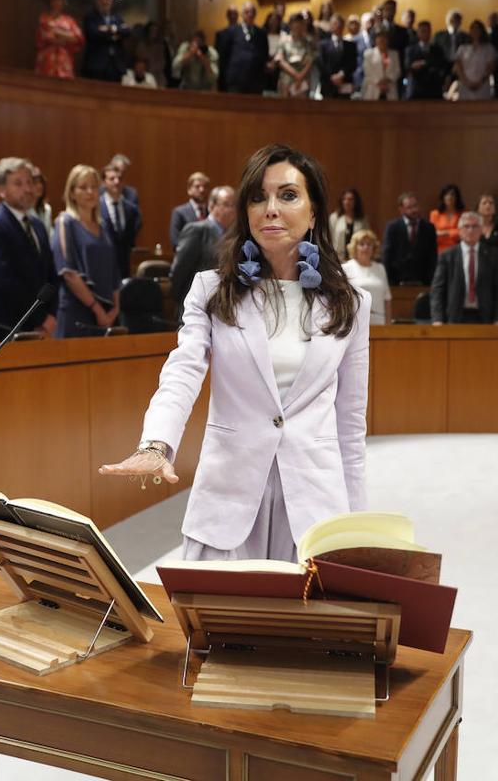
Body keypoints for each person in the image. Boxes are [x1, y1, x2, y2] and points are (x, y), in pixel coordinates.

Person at [99, 144, 370, 563]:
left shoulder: (351, 303)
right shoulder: (211, 290)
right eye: (258, 197)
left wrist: (355, 525)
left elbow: (350, 422)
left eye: (288, 195)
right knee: (216, 623)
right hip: (228, 499)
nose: (270, 209)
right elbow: (183, 370)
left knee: (304, 628)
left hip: (314, 504)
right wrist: (156, 444)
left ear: (314, 211)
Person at [0, 157, 57, 342]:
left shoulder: (37, 225)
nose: (27, 189)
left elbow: (50, 275)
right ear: (1, 190)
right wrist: (41, 317)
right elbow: (5, 281)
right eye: (18, 183)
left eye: (30, 182)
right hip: (1, 329)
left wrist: (52, 315)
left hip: (38, 328)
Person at [51, 164, 121, 338]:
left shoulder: (103, 225)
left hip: (107, 313)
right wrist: (97, 310)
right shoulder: (64, 222)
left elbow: (114, 270)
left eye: (94, 187)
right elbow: (68, 273)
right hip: (77, 312)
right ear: (72, 192)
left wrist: (115, 307)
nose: (90, 192)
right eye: (83, 187)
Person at [430, 212, 498, 326]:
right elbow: (437, 290)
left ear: (481, 230)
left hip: (485, 317)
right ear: (459, 231)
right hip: (454, 316)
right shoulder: (447, 256)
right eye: (466, 226)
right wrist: (437, 319)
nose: (470, 230)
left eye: (475, 226)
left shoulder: (492, 255)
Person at [170, 185, 236, 315]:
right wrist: (183, 301)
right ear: (211, 206)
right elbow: (179, 271)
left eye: (234, 205)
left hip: (222, 308)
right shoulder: (197, 230)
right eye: (227, 204)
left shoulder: (233, 236)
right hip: (196, 306)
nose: (232, 210)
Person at [381, 191, 437, 285]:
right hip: (397, 280)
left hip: (423, 281)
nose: (414, 210)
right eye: (409, 207)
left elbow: (433, 256)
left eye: (415, 206)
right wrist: (388, 280)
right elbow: (387, 255)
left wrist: (430, 281)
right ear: (401, 209)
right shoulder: (393, 227)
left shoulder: (429, 227)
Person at [100, 162, 141, 278]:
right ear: (104, 182)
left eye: (119, 178)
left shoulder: (131, 209)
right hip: (102, 266)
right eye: (112, 179)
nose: (117, 182)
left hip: (124, 269)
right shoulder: (96, 207)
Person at [219, 1, 269, 95]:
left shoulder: (262, 33)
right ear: (242, 14)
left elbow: (264, 55)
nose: (250, 14)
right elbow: (224, 57)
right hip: (236, 80)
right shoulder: (231, 31)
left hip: (256, 81)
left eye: (252, 12)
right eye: (247, 12)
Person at [82, 0, 128, 83]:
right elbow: (93, 34)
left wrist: (112, 29)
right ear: (97, 0)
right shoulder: (91, 17)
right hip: (96, 66)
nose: (105, 2)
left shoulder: (117, 17)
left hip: (115, 66)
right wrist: (114, 35)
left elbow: (126, 31)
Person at [35, 0, 84, 80]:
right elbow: (47, 36)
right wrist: (66, 35)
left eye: (59, 0)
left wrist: (59, 33)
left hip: (64, 60)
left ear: (63, 2)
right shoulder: (44, 18)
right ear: (50, 2)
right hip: (47, 60)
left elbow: (78, 38)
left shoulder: (69, 21)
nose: (57, 2)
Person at [344, 229, 391, 326]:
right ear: (354, 247)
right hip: (355, 322)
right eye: (362, 244)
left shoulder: (380, 268)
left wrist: (388, 324)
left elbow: (387, 298)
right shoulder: (346, 268)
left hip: (379, 322)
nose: (366, 247)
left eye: (369, 244)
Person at [452, 20, 497, 101]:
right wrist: (466, 82)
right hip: (465, 85)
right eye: (472, 28)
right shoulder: (462, 48)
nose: (475, 31)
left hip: (482, 85)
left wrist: (480, 82)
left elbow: (490, 67)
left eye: (477, 29)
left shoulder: (488, 48)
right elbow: (458, 66)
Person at [276, 13, 318, 99]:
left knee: (302, 109)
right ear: (290, 25)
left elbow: (310, 60)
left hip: (303, 80)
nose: (297, 27)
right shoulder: (284, 40)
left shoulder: (308, 42)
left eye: (300, 24)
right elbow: (280, 60)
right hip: (286, 79)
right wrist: (295, 75)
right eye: (295, 24)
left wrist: (300, 76)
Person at [405, 21, 447, 100]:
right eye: (422, 31)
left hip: (434, 89)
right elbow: (408, 67)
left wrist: (423, 63)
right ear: (418, 33)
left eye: (427, 31)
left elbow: (440, 64)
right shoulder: (411, 50)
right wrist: (415, 66)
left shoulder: (437, 50)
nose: (425, 34)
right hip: (416, 89)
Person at [169, 171, 211, 250]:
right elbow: (175, 241)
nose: (202, 190)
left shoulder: (212, 213)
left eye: (205, 186)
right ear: (189, 190)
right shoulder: (179, 212)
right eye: (197, 186)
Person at [319, 14, 355, 99]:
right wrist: (332, 77)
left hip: (345, 83)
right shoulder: (323, 45)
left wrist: (341, 74)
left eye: (340, 23)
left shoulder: (351, 45)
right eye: (335, 23)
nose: (338, 25)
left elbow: (353, 63)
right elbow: (321, 63)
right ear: (330, 25)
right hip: (328, 84)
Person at [328, 187, 368, 257]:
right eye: (344, 199)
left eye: (350, 199)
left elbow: (366, 238)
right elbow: (329, 238)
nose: (347, 202)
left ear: (356, 202)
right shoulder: (334, 218)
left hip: (356, 258)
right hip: (338, 258)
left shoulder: (362, 220)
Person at [361, 30, 401, 101]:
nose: (382, 42)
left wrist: (388, 80)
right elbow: (368, 71)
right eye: (380, 40)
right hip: (373, 89)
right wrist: (379, 82)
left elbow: (397, 71)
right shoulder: (369, 54)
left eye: (384, 39)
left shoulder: (394, 54)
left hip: (390, 88)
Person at [477, 193, 498, 270]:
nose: (488, 205)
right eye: (484, 203)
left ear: (495, 208)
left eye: (491, 203)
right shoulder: (473, 228)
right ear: (478, 208)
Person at [135, 21, 172, 88]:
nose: (154, 33)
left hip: (158, 78)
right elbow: (139, 60)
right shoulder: (141, 45)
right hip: (144, 77)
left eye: (156, 31)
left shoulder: (161, 46)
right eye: (152, 30)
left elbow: (163, 63)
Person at [430, 184, 464, 255]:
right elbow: (432, 234)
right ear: (443, 197)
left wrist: (445, 233)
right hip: (439, 250)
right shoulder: (435, 214)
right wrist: (454, 233)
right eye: (446, 195)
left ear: (457, 197)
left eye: (452, 195)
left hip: (458, 249)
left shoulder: (463, 214)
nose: (449, 197)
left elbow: (463, 233)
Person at [215, 5, 239, 92]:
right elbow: (217, 55)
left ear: (238, 15)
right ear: (227, 16)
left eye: (234, 14)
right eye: (230, 14)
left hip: (239, 75)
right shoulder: (220, 34)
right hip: (224, 75)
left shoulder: (244, 34)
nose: (232, 16)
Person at [31, 167, 53, 240]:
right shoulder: (23, 211)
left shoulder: (47, 209)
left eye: (41, 182)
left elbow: (49, 235)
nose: (39, 186)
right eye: (35, 182)